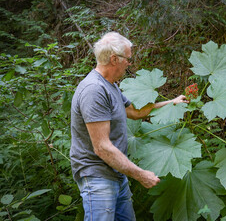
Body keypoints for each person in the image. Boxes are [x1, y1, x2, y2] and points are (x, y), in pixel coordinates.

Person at [70, 31, 188, 221]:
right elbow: (101, 147)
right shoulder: (94, 90)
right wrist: (140, 174)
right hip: (98, 177)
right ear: (114, 59)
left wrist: (170, 103)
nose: (130, 64)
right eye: (128, 59)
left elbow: (135, 112)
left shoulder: (111, 86)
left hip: (117, 174)